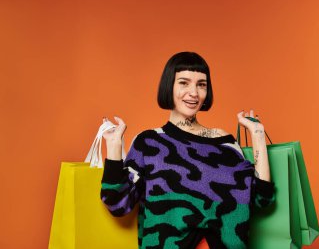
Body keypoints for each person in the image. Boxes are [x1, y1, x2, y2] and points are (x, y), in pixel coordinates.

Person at [100, 51, 275, 249]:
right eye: (184, 83)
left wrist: (258, 135)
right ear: (169, 86)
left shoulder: (225, 143)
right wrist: (114, 147)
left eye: (201, 85)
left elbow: (262, 199)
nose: (194, 93)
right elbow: (117, 203)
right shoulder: (149, 142)